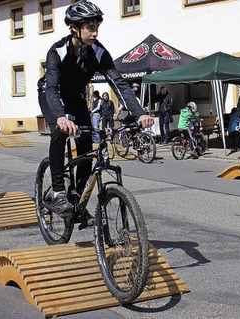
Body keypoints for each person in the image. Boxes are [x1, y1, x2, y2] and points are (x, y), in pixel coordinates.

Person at [39, 0, 153, 215]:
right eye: (90, 28)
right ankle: (57, 192)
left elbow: (118, 83)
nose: (95, 33)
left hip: (75, 98)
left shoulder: (98, 52)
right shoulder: (58, 51)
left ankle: (77, 197)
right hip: (51, 96)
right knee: (59, 131)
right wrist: (61, 117)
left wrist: (139, 113)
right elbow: (52, 87)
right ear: (74, 27)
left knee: (86, 145)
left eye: (97, 27)